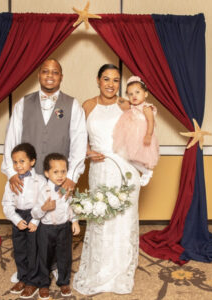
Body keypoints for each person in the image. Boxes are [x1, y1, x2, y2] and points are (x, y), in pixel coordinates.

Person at [1, 58, 87, 283]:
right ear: (39, 75)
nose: (50, 75)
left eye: (55, 72)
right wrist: (11, 172)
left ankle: (57, 265)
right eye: (45, 71)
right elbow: (11, 139)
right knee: (30, 222)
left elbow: (79, 141)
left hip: (57, 178)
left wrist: (71, 176)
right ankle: (28, 267)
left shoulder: (72, 105)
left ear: (61, 76)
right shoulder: (23, 103)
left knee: (57, 225)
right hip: (28, 177)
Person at [73, 64, 141, 295]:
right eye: (106, 79)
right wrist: (87, 152)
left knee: (122, 219)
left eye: (115, 80)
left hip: (124, 168)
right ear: (98, 80)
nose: (111, 84)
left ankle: (120, 269)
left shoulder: (125, 104)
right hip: (99, 168)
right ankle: (100, 268)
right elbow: (79, 138)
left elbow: (139, 133)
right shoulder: (88, 105)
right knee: (101, 217)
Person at [31, 153, 80, 300]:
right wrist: (44, 208)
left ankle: (63, 282)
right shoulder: (43, 191)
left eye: (63, 171)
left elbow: (71, 207)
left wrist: (75, 221)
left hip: (64, 228)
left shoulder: (66, 189)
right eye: (55, 172)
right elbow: (34, 212)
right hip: (46, 229)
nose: (60, 175)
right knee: (44, 256)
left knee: (65, 255)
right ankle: (44, 284)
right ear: (47, 173)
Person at [2, 143, 46, 298]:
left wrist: (35, 220)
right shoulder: (11, 182)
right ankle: (23, 277)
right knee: (20, 250)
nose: (18, 165)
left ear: (32, 162)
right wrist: (15, 219)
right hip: (18, 217)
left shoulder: (40, 181)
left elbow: (43, 203)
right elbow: (7, 204)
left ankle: (33, 281)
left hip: (34, 215)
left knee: (34, 250)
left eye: (22, 161)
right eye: (15, 162)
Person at [113, 76, 159, 186]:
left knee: (135, 157)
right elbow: (120, 102)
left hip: (142, 137)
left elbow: (151, 122)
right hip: (132, 138)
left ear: (146, 94)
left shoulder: (146, 108)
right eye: (130, 94)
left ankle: (147, 171)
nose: (134, 96)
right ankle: (140, 172)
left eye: (137, 92)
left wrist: (148, 134)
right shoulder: (131, 107)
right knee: (126, 156)